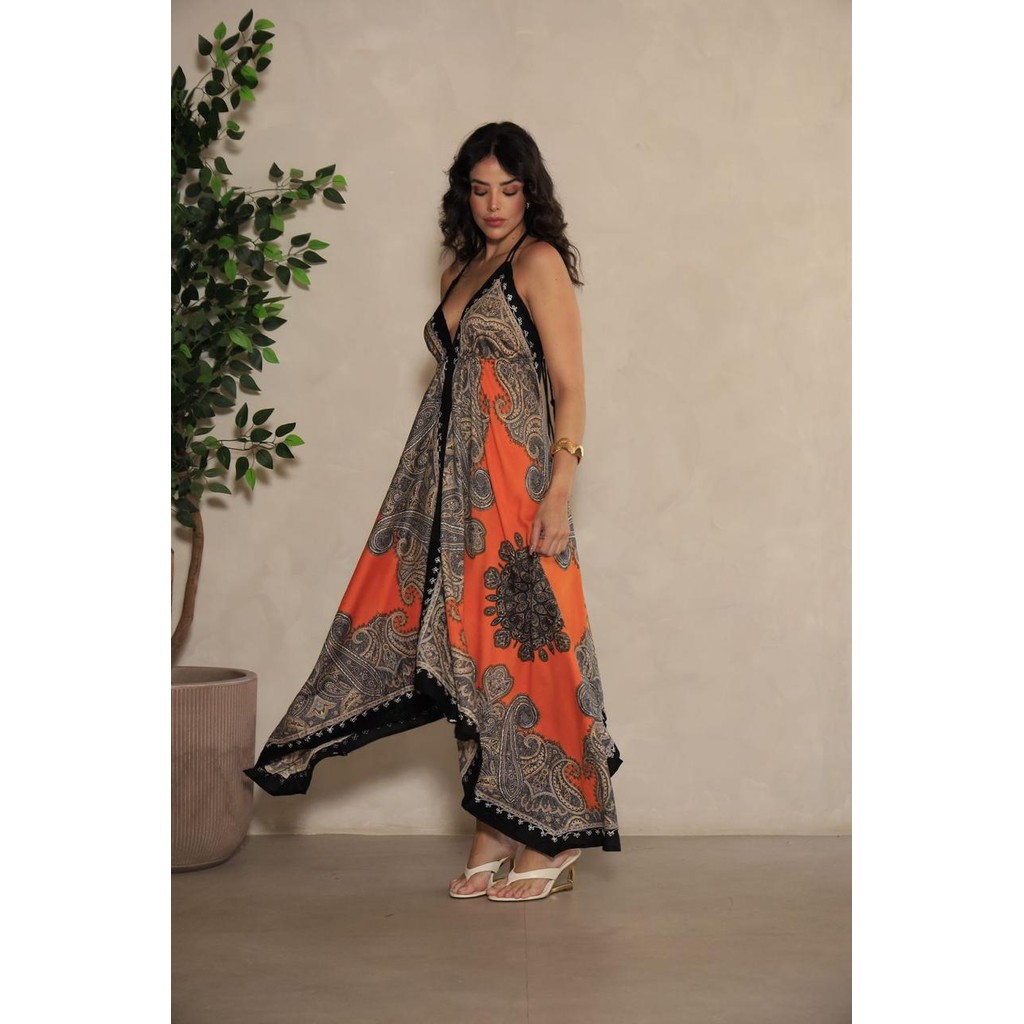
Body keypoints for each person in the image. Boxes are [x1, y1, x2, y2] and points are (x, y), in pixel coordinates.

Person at [245, 122, 622, 902]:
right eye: (480, 189)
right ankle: (496, 821)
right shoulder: (461, 266)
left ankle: (550, 832)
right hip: (452, 494)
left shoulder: (537, 261)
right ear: (464, 194)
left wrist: (558, 490)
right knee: (466, 648)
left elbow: (571, 387)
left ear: (530, 193)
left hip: (517, 489)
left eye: (509, 189)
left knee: (527, 652)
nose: (494, 204)